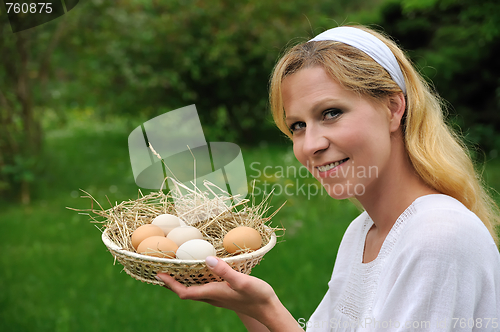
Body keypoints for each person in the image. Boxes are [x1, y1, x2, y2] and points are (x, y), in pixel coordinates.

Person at [155, 25, 500, 331]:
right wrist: (250, 307)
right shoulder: (362, 234)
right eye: (298, 126)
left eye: (331, 113)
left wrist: (270, 310)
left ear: (394, 108)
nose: (311, 145)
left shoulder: (438, 236)